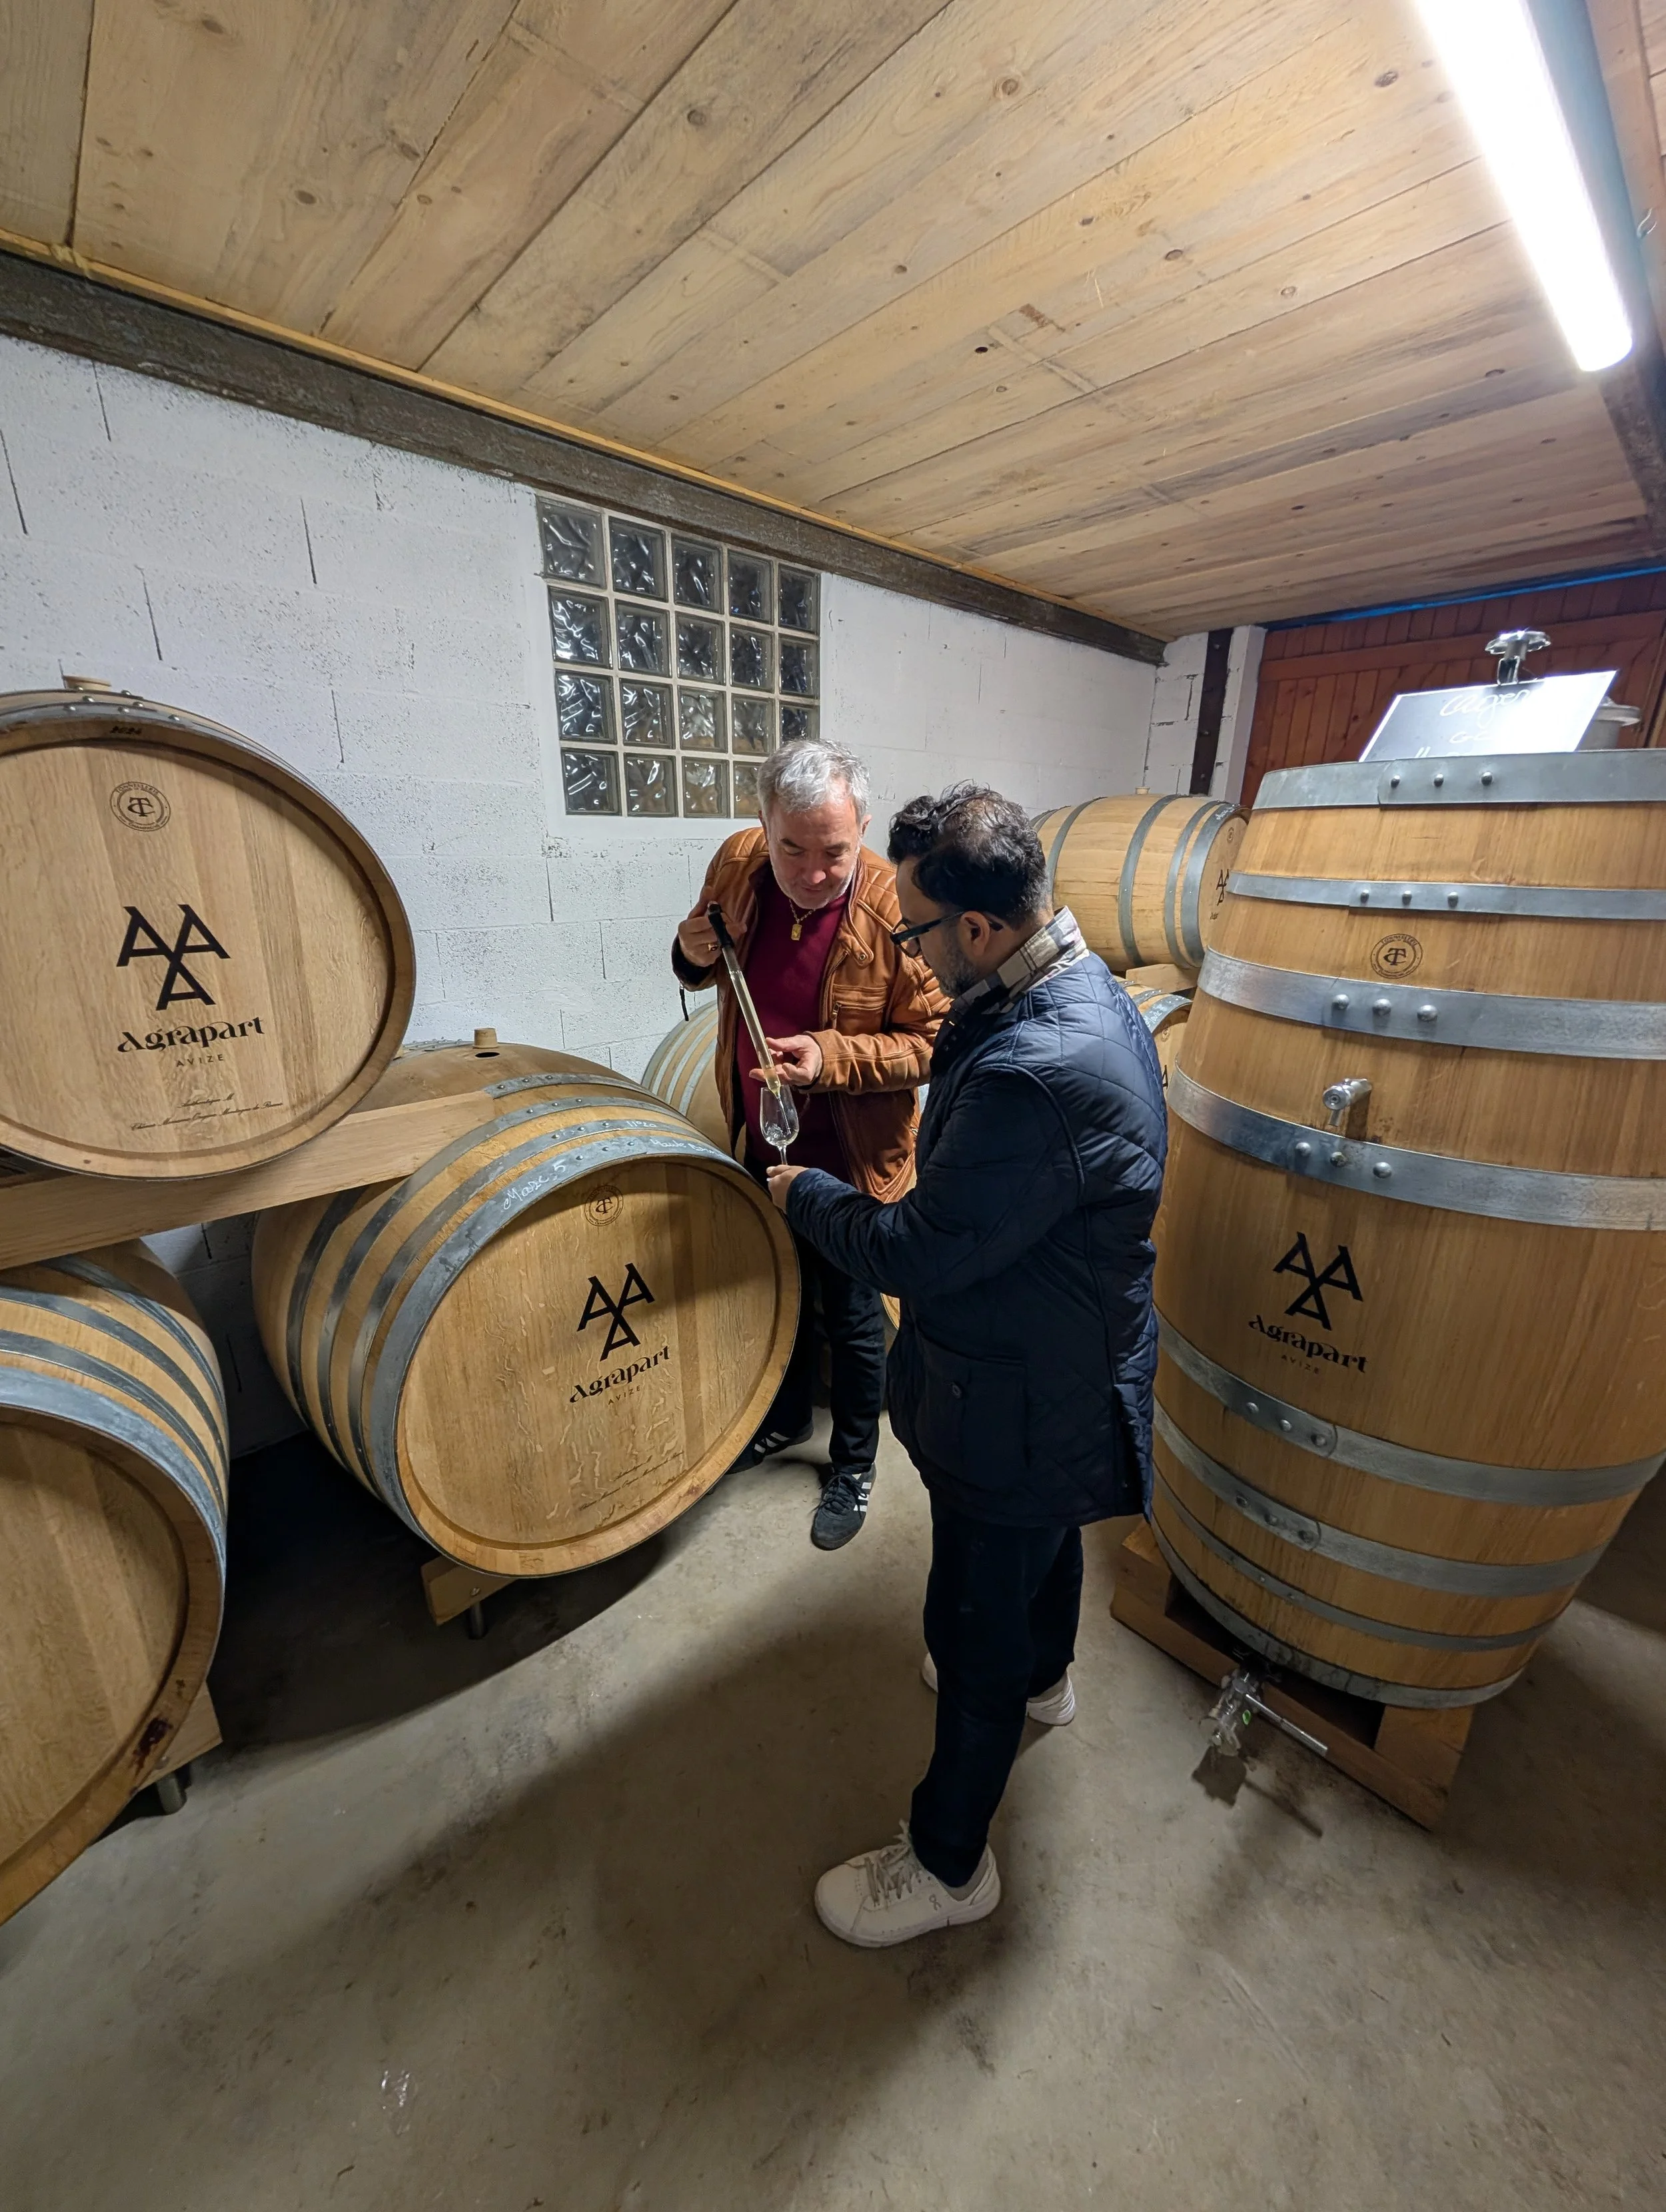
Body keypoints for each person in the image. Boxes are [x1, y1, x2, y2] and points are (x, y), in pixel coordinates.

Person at [766, 784, 1166, 1946]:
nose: (915, 954)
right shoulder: (1070, 983)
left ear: (981, 929)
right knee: (1040, 1557)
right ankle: (1048, 1679)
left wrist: (810, 1197)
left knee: (971, 1616)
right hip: (1055, 1363)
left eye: (919, 932)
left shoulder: (1038, 1069)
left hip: (1017, 1395)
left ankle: (948, 1868)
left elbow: (919, 1251)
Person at [673, 740, 946, 1549]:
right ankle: (786, 1418)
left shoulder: (895, 905)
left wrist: (831, 1056)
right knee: (780, 1288)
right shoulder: (736, 863)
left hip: (852, 1156)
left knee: (855, 1317)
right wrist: (688, 958)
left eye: (834, 851)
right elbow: (705, 960)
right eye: (793, 846)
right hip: (760, 1132)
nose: (812, 871)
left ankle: (855, 1461)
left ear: (861, 826)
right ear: (763, 821)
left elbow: (936, 1039)